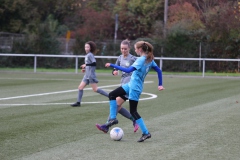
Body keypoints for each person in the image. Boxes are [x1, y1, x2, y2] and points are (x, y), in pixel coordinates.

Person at [96, 41, 164, 142]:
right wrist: (160, 84)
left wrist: (111, 65)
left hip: (134, 88)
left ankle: (146, 133)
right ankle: (113, 119)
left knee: (133, 111)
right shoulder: (149, 59)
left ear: (140, 49)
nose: (135, 50)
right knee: (112, 95)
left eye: (136, 48)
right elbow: (159, 71)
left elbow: (128, 71)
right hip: (130, 85)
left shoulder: (141, 60)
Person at [96, 39, 139, 133]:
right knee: (118, 107)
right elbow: (115, 68)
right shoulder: (119, 58)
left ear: (129, 48)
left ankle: (106, 125)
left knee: (115, 104)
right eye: (122, 49)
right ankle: (135, 120)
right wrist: (114, 71)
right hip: (123, 84)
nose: (123, 50)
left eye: (125, 49)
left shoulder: (133, 58)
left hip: (129, 86)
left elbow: (141, 65)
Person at [71, 41, 109, 107]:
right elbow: (89, 65)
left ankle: (110, 96)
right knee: (80, 87)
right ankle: (78, 102)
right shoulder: (87, 55)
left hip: (91, 75)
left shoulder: (90, 55)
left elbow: (94, 63)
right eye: (85, 47)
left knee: (95, 89)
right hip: (86, 75)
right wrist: (84, 69)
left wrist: (86, 65)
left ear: (90, 48)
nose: (86, 48)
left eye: (88, 47)